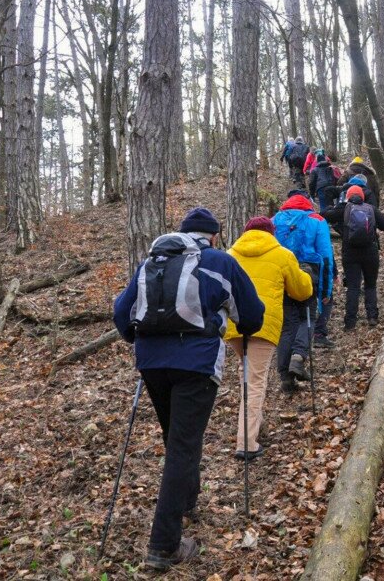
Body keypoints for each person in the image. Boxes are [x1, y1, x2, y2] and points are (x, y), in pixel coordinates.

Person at [112, 207, 264, 571]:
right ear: (213, 236)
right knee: (182, 444)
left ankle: (187, 500)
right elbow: (253, 315)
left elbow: (121, 312)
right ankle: (164, 545)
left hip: (151, 362)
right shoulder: (219, 261)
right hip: (195, 364)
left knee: (177, 438)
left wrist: (141, 338)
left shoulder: (154, 261)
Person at [225, 216, 313, 460]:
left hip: (234, 325)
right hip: (264, 325)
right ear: (271, 232)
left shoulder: (230, 254)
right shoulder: (281, 254)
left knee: (248, 376)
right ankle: (246, 441)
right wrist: (306, 275)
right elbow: (301, 290)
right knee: (254, 381)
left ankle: (254, 426)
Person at [273, 190, 335, 392]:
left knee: (287, 325)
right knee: (308, 318)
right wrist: (326, 290)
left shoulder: (274, 220)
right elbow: (326, 257)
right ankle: (298, 357)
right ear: (308, 203)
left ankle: (285, 378)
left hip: (281, 275)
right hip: (309, 274)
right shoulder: (317, 220)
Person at [323, 186, 384, 330]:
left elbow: (325, 215)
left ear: (347, 196)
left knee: (353, 287)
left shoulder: (344, 209)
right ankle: (372, 316)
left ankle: (350, 322)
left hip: (350, 253)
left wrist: (329, 208)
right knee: (370, 285)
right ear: (362, 196)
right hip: (370, 252)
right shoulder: (370, 208)